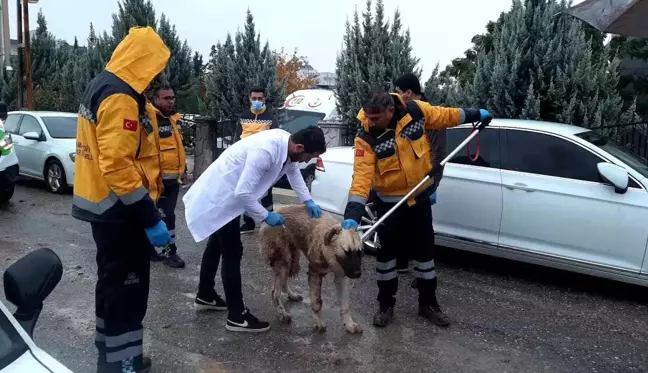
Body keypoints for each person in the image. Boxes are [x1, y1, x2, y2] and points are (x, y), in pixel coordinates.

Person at [341, 91, 491, 328]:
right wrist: (352, 215)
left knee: (425, 253)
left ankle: (428, 304)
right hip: (389, 202)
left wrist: (474, 114)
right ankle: (385, 304)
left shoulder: (416, 112)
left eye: (377, 117)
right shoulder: (366, 138)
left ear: (391, 111)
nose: (371, 121)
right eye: (368, 116)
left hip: (419, 198)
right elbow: (361, 178)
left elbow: (445, 116)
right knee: (387, 256)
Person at [72, 27, 170, 373]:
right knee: (127, 295)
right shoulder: (120, 96)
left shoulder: (106, 84)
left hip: (109, 210)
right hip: (121, 212)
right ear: (143, 60)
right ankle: (121, 364)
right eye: (155, 65)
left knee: (112, 289)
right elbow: (116, 164)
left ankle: (113, 357)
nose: (157, 74)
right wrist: (150, 217)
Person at [183, 126, 325, 333]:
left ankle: (205, 295)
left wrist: (308, 200)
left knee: (216, 245)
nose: (307, 161)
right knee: (232, 252)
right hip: (223, 197)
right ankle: (236, 316)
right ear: (299, 147)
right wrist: (265, 216)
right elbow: (242, 192)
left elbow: (294, 174)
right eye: (309, 156)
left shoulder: (288, 147)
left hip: (230, 197)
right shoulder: (266, 151)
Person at [393, 73, 446, 276]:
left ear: (408, 93)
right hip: (405, 180)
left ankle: (423, 272)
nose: (396, 95)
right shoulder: (404, 112)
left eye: (398, 92)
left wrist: (433, 184)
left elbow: (439, 153)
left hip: (424, 181)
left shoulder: (430, 115)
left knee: (422, 230)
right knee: (402, 223)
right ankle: (402, 262)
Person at [148, 84, 187, 268]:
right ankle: (169, 252)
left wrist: (183, 169)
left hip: (173, 179)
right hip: (159, 180)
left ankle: (150, 249)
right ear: (155, 100)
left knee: (160, 215)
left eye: (172, 97)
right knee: (166, 216)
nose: (171, 101)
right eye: (166, 98)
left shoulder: (173, 119)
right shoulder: (151, 120)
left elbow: (177, 148)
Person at [236, 86, 279, 234]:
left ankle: (269, 223)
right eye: (254, 98)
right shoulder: (243, 116)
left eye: (260, 99)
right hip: (245, 160)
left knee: (266, 192)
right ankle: (248, 223)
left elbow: (276, 140)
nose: (257, 101)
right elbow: (237, 138)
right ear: (249, 98)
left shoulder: (271, 117)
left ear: (264, 99)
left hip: (264, 161)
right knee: (247, 190)